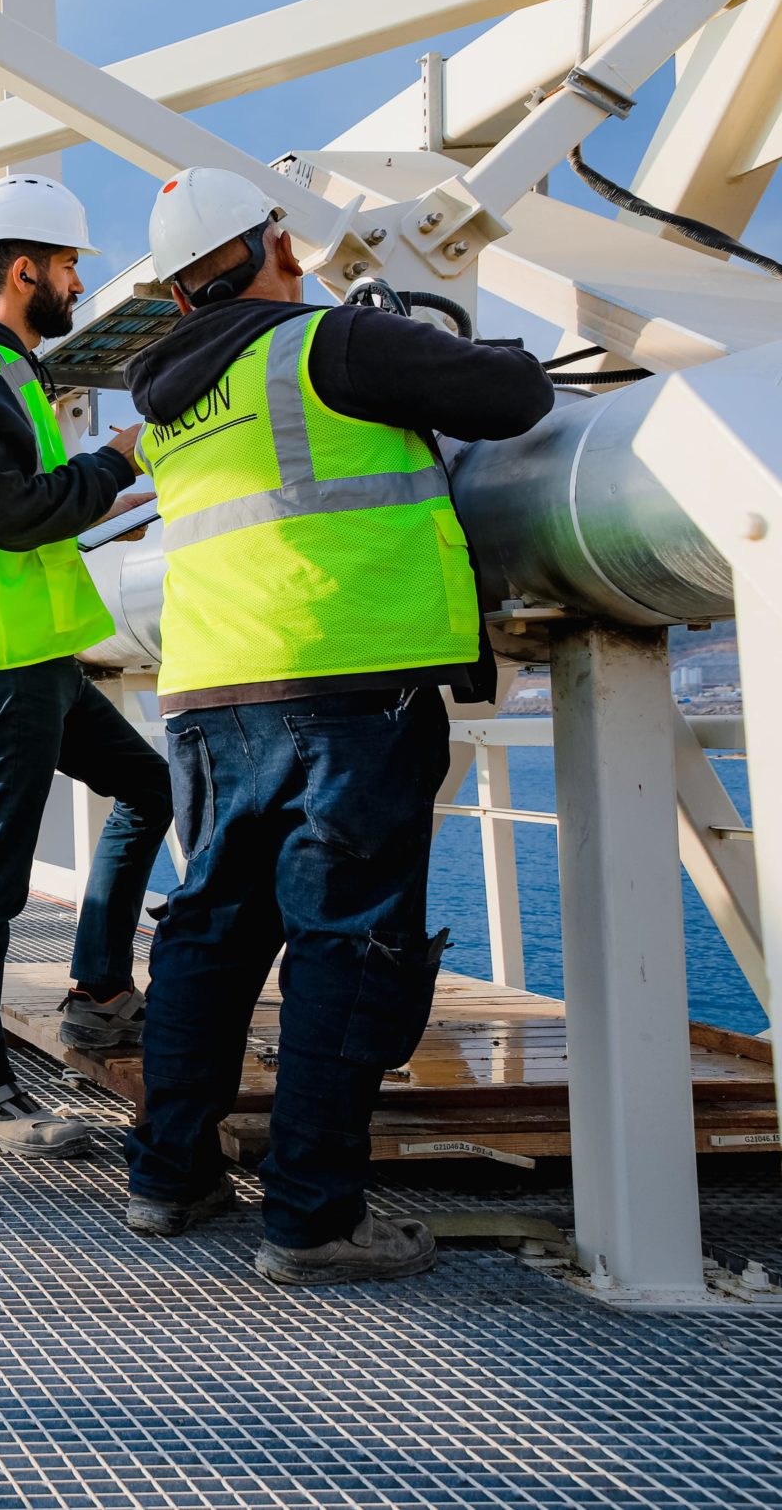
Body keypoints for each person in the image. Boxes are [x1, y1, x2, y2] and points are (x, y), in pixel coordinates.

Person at [120, 167, 552, 1283]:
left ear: (175, 297)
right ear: (277, 247)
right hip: (347, 682)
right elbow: (513, 397)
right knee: (345, 944)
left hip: (211, 694)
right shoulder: (327, 347)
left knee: (211, 934)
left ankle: (170, 1179)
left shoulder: (166, 405)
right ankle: (312, 1219)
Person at [0, 174, 176, 1160]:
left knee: (149, 786)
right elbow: (6, 514)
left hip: (38, 659)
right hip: (1, 665)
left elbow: (28, 511)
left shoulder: (5, 372)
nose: (76, 283)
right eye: (68, 266)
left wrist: (110, 498)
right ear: (24, 268)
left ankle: (102, 991)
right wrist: (113, 459)